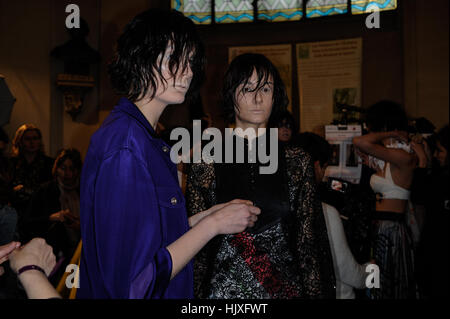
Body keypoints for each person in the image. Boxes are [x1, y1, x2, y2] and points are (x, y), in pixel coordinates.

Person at [78, 9, 260, 299]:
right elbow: (132, 286)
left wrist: (207, 217)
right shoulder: (126, 147)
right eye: (174, 59)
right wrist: (212, 226)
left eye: (190, 62)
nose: (187, 72)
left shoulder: (147, 141)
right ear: (140, 59)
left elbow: (149, 238)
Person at [186, 53, 335, 299]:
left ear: (275, 95)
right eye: (247, 88)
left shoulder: (296, 162)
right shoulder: (206, 163)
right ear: (231, 95)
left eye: (265, 88)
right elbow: (198, 255)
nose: (257, 98)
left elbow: (308, 246)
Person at [353, 100, 420, 299]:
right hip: (378, 226)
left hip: (393, 229)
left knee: (393, 282)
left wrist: (390, 134)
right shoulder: (387, 160)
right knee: (378, 282)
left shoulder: (403, 157)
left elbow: (360, 142)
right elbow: (361, 145)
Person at [296, 132, 370, 299]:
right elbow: (348, 272)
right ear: (316, 166)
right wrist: (373, 270)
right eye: (324, 167)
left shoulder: (276, 211)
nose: (324, 175)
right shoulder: (325, 212)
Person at [23, 148, 82, 263]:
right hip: (54, 254)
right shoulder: (45, 191)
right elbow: (27, 223)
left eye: (72, 169)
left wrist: (80, 226)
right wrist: (52, 218)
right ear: (56, 169)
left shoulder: (85, 191)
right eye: (63, 168)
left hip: (81, 251)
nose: (67, 174)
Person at [415, 125, 449, 298]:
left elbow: (419, 195)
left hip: (436, 261)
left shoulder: (441, 182)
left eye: (440, 151)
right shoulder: (440, 178)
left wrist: (422, 161)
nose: (436, 156)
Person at [9, 124, 54, 221]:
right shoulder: (11, 163)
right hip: (16, 210)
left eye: (35, 138)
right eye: (27, 139)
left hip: (41, 211)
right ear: (20, 141)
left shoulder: (49, 163)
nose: (32, 142)